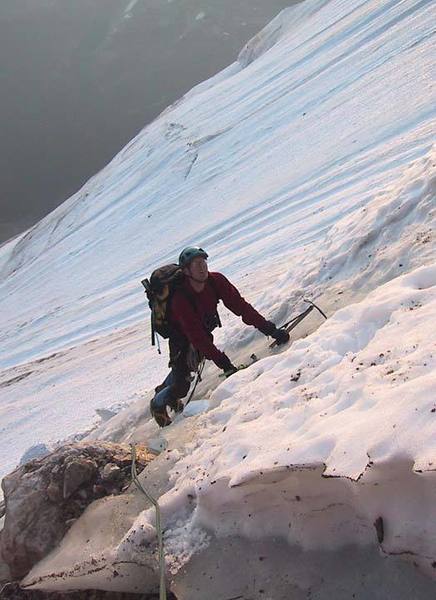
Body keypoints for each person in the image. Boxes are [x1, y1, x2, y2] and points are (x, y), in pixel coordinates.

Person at [149, 246, 289, 427]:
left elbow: (241, 308)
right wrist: (224, 363)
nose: (202, 267)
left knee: (190, 365)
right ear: (186, 271)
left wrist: (271, 330)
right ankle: (158, 403)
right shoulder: (179, 299)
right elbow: (196, 336)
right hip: (180, 336)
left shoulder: (216, 281)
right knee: (182, 385)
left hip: (200, 328)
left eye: (203, 262)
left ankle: (169, 386)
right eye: (196, 264)